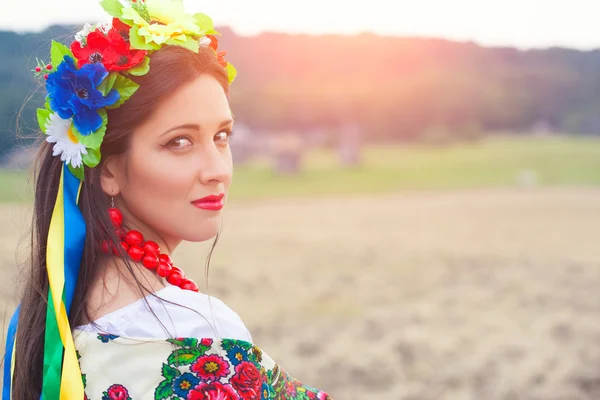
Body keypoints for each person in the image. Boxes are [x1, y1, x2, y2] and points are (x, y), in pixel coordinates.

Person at [2, 1, 333, 399]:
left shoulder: (41, 326)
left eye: (221, 136)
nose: (217, 170)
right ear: (107, 170)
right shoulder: (199, 334)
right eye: (179, 142)